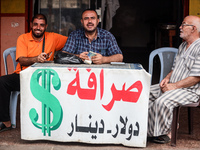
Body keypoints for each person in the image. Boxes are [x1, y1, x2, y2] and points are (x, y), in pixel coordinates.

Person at [0, 14, 68, 132]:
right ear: (31, 25)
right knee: (2, 82)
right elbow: (21, 59)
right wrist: (36, 59)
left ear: (46, 26)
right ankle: (6, 122)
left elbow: (71, 42)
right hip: (24, 76)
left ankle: (62, 121)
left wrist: (69, 54)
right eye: (35, 24)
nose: (38, 27)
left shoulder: (53, 37)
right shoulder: (23, 38)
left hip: (46, 78)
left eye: (41, 25)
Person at [148, 15, 200, 144]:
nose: (180, 27)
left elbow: (196, 78)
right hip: (174, 85)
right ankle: (148, 128)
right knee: (144, 93)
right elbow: (174, 68)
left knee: (162, 102)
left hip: (190, 90)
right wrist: (167, 78)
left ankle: (167, 132)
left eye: (183, 25)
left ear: (193, 29)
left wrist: (174, 86)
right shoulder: (183, 46)